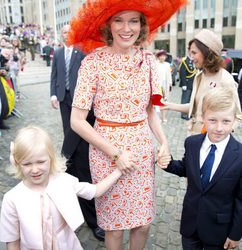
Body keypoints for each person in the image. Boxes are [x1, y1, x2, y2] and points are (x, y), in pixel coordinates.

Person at [69, 0, 186, 248]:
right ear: (108, 25)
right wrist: (116, 153)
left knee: (143, 224)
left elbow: (151, 111)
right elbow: (77, 122)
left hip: (142, 150)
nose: (126, 28)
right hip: (106, 153)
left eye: (134, 21)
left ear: (142, 26)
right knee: (114, 227)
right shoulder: (92, 63)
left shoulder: (148, 61)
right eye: (119, 20)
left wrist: (164, 143)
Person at [0, 125, 125, 250]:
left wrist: (118, 171)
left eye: (41, 162)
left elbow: (95, 191)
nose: (35, 169)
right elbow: (12, 241)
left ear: (51, 158)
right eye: (27, 164)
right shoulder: (12, 199)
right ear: (17, 163)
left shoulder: (64, 181)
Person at [158, 87, 242, 250]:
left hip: (219, 230)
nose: (219, 128)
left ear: (234, 120)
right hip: (191, 223)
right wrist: (168, 163)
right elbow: (186, 168)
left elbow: (241, 200)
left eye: (225, 121)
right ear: (202, 117)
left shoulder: (240, 155)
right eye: (212, 120)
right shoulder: (192, 143)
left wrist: (235, 234)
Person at [50, 24, 104, 241]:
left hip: (92, 117)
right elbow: (56, 76)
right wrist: (54, 95)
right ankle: (81, 216)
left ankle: (89, 215)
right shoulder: (63, 53)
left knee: (80, 163)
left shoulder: (87, 52)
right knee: (74, 160)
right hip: (72, 111)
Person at [163, 29, 241, 135]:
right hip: (194, 138)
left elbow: (237, 116)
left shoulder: (225, 79)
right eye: (190, 53)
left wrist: (217, 135)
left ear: (207, 52)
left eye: (194, 53)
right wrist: (167, 105)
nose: (192, 58)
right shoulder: (199, 76)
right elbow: (195, 108)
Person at [155, 49, 172, 123]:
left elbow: (169, 75)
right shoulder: (155, 64)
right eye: (161, 56)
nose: (162, 57)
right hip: (158, 85)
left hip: (165, 85)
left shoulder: (167, 65)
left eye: (164, 56)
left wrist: (170, 84)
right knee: (157, 102)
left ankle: (164, 117)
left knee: (165, 101)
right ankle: (157, 117)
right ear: (158, 57)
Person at [178, 53, 197, 120]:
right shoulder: (185, 61)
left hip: (193, 84)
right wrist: (184, 84)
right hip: (187, 83)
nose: (193, 55)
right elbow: (182, 73)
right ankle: (183, 114)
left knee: (190, 100)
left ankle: (189, 113)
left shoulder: (194, 61)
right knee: (185, 100)